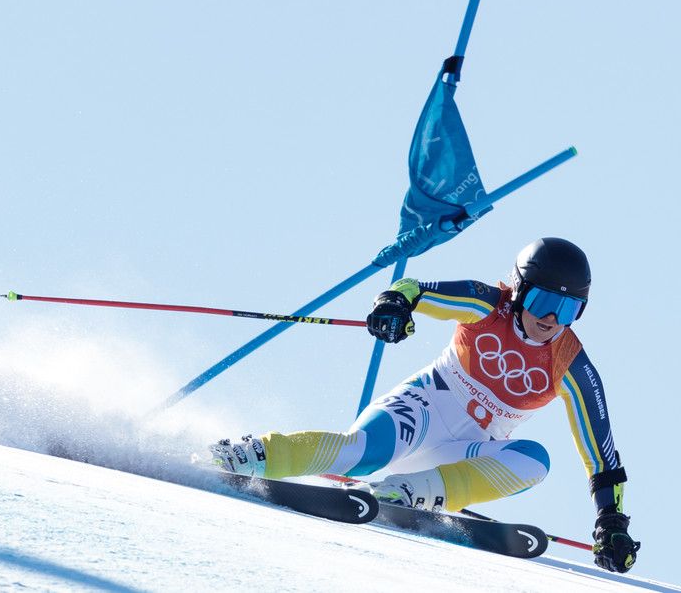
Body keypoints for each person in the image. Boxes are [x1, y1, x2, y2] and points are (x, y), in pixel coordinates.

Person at [210, 237, 641, 573]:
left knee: (536, 461)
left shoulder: (571, 365)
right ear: (519, 290)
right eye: (543, 301)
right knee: (361, 453)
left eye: (568, 309)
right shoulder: (487, 304)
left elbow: (602, 458)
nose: (551, 319)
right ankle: (251, 455)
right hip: (423, 406)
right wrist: (394, 305)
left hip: (467, 448)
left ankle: (407, 494)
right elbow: (414, 289)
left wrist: (611, 522)